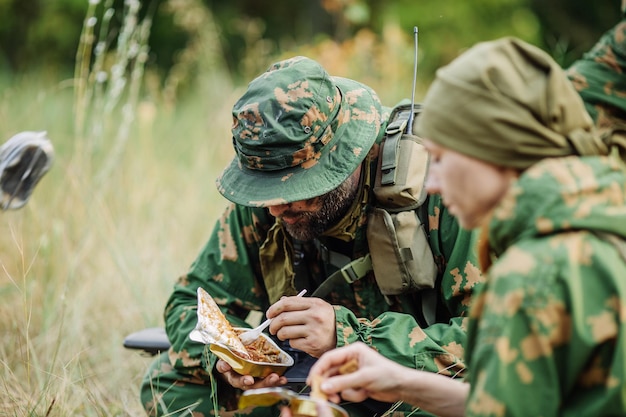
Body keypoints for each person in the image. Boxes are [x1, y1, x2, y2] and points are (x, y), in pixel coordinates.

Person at [140, 56, 483, 416]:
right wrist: (233, 358)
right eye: (264, 190)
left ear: (346, 159)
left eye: (295, 188)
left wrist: (347, 336)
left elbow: (491, 342)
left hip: (408, 382)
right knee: (167, 382)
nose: (274, 208)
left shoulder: (443, 188)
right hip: (315, 382)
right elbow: (189, 303)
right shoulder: (268, 193)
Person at [305, 36, 626, 417]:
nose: (434, 183)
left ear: (491, 151)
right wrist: (399, 380)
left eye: (440, 159)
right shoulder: (593, 220)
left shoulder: (535, 271)